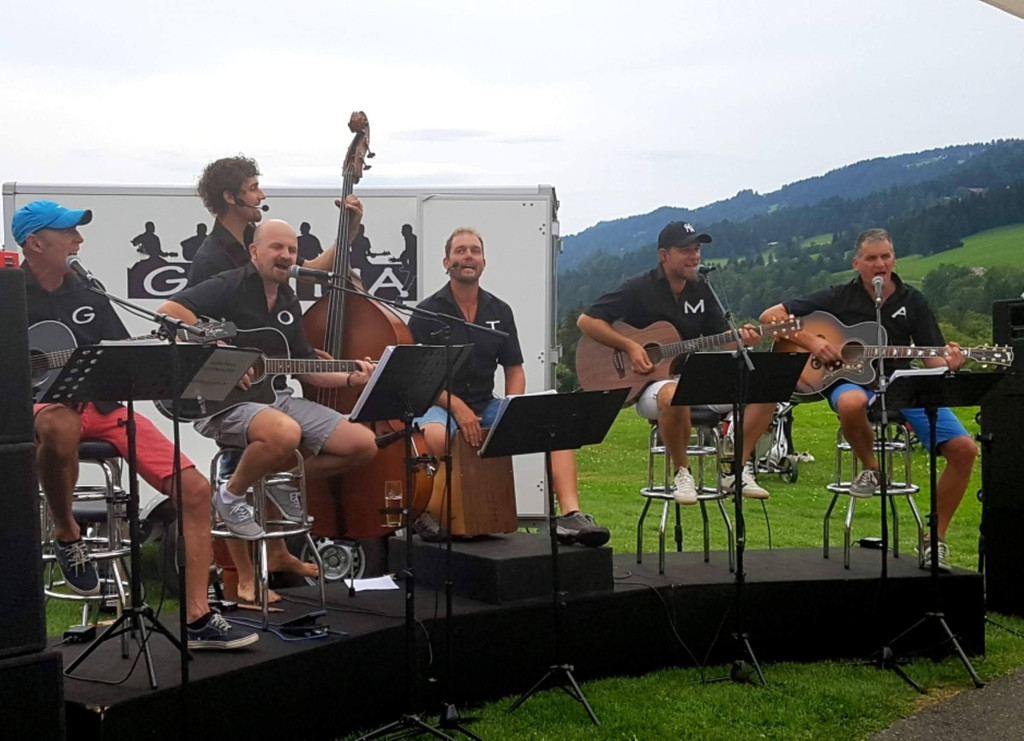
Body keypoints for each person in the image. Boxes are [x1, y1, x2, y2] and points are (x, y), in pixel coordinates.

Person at [13, 200, 257, 650]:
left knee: (196, 489)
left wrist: (191, 348)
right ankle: (67, 532)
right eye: (68, 232)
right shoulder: (8, 294)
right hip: (39, 410)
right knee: (61, 425)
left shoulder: (90, 292)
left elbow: (126, 351)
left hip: (105, 408)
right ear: (36, 243)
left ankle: (199, 617)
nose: (79, 240)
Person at [157, 219, 379, 595]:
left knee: (361, 444)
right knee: (284, 434)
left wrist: (351, 378)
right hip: (221, 403)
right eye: (277, 247)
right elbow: (170, 309)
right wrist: (218, 348)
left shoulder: (288, 299)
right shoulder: (230, 284)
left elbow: (306, 367)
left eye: (292, 250)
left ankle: (281, 484)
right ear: (255, 251)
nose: (286, 256)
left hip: (274, 399)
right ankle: (231, 497)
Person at [760, 228, 977, 572]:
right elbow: (770, 318)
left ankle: (934, 539)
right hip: (850, 382)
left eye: (886, 256)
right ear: (856, 263)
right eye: (872, 258)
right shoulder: (838, 297)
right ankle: (872, 469)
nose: (880, 264)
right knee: (850, 403)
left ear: (894, 259)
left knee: (965, 449)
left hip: (903, 384)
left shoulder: (913, 301)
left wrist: (951, 362)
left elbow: (933, 360)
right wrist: (813, 342)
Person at [407, 227, 609, 547]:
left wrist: (514, 409)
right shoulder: (425, 313)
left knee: (555, 423)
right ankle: (426, 512)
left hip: (486, 404)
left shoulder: (500, 311)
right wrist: (457, 407)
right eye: (460, 250)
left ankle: (571, 516)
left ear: (483, 262)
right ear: (446, 262)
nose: (468, 256)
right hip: (438, 404)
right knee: (435, 436)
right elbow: (416, 378)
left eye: (475, 250)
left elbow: (514, 369)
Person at [577, 221, 777, 505]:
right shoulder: (639, 287)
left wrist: (746, 338)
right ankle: (683, 473)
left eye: (697, 249)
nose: (694, 256)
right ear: (664, 255)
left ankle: (737, 470)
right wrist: (630, 346)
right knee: (673, 394)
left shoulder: (702, 290)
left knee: (765, 388)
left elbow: (724, 339)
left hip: (692, 377)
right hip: (649, 386)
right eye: (685, 250)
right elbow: (587, 321)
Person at [187, 155, 362, 287]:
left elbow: (313, 272)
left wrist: (348, 232)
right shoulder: (210, 259)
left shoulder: (258, 238)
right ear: (230, 197)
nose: (262, 195)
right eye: (253, 188)